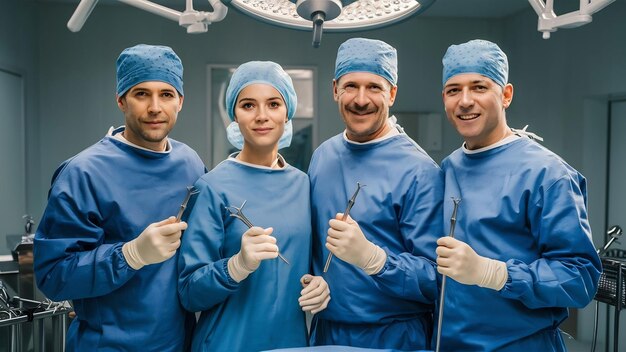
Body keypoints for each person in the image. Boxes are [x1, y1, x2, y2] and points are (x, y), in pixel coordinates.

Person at [34, 44, 206, 352]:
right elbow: (52, 275)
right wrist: (130, 255)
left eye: (166, 94)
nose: (155, 107)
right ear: (121, 100)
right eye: (141, 94)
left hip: (177, 343)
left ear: (180, 101)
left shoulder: (190, 163)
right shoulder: (83, 173)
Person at [435, 39, 602, 351]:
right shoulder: (449, 168)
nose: (465, 101)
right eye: (454, 90)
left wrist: (494, 273)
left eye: (479, 87)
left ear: (506, 95)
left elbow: (581, 279)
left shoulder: (546, 173)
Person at [177, 61, 330, 352]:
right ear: (234, 114)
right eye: (248, 105)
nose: (262, 116)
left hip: (289, 345)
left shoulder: (303, 185)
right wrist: (235, 266)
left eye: (273, 104)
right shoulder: (212, 186)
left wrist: (320, 285)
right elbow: (189, 293)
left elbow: (307, 265)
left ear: (288, 114)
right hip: (225, 344)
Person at [307, 37, 444, 350]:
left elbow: (437, 279)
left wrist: (374, 259)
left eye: (374, 87)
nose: (360, 99)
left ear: (392, 93)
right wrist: (309, 279)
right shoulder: (322, 157)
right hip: (327, 333)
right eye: (351, 86)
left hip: (395, 337)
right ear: (335, 90)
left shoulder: (420, 171)